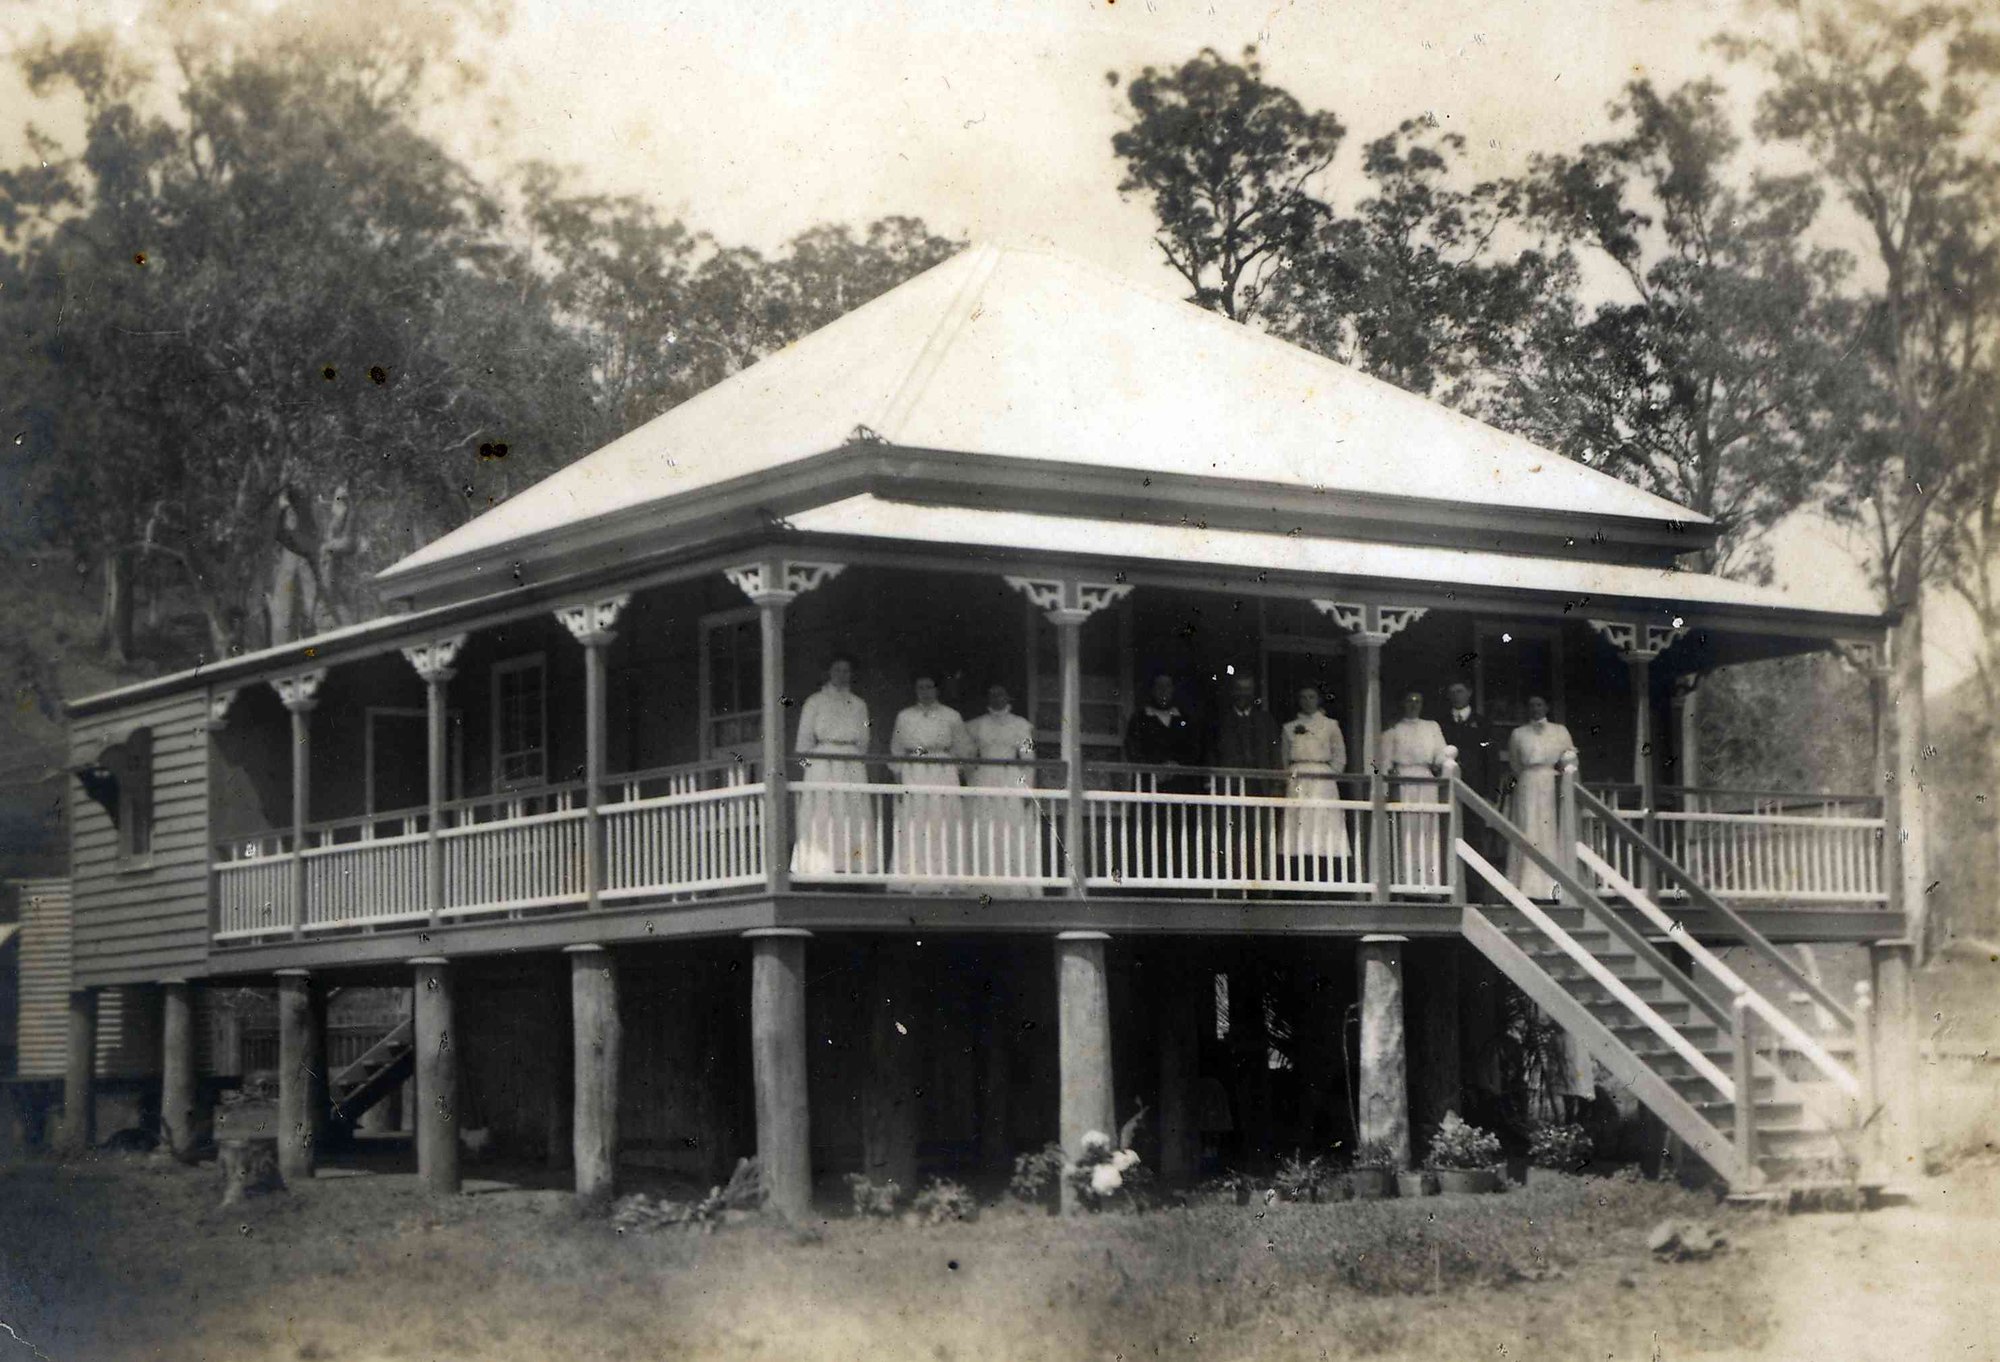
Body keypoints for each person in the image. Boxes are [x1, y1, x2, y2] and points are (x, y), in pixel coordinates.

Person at [791, 655, 876, 878]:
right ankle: (820, 867)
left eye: (846, 671)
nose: (842, 675)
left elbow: (864, 741)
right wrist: (812, 771)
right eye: (837, 670)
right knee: (824, 813)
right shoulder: (815, 701)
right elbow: (803, 743)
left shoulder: (859, 704)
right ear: (828, 673)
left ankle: (854, 867)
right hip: (822, 763)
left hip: (851, 761)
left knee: (852, 813)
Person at [888, 674, 971, 886]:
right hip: (914, 770)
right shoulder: (904, 716)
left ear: (937, 690)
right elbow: (896, 749)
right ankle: (912, 879)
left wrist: (954, 773)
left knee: (942, 821)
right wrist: (898, 778)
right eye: (920, 687)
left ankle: (946, 879)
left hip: (942, 770)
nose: (924, 691)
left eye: (929, 687)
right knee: (915, 822)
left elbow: (963, 750)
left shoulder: (951, 716)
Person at [963, 683, 1042, 892]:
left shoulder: (1022, 725)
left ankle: (1015, 886)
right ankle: (984, 886)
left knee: (1011, 829)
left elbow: (1029, 758)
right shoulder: (976, 725)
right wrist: (973, 779)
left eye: (1001, 694)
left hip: (1011, 778)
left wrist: (1028, 788)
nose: (997, 698)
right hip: (984, 778)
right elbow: (968, 757)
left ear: (1009, 698)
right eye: (992, 694)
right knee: (985, 829)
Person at [1211, 672, 1282, 884]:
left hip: (1260, 787)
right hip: (1230, 787)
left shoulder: (1265, 720)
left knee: (1259, 837)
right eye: (1239, 689)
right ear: (1233, 692)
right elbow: (1212, 754)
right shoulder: (1220, 721)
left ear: (1254, 693)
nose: (1243, 694)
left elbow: (1275, 754)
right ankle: (1232, 883)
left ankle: (1258, 884)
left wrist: (1277, 783)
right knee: (1232, 837)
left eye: (1248, 690)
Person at [1505, 695, 1576, 900]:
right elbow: (1515, 763)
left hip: (1550, 782)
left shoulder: (1560, 731)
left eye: (1539, 704)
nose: (1535, 708)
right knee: (1528, 828)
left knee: (1549, 830)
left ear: (1547, 706)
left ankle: (1552, 888)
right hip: (1528, 782)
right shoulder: (1518, 733)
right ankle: (1526, 887)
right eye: (1531, 705)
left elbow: (1569, 758)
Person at [1377, 690, 1449, 889]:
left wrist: (1442, 764)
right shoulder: (1393, 730)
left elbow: (1441, 755)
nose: (1414, 704)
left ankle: (1429, 885)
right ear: (1402, 703)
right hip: (1403, 783)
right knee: (1406, 831)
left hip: (1426, 781)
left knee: (1427, 831)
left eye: (1418, 701)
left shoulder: (1432, 727)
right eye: (1409, 700)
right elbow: (1384, 762)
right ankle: (1405, 883)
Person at [1280, 684, 1350, 881]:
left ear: (1318, 700)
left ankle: (1325, 875)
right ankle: (1300, 876)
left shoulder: (1330, 725)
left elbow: (1339, 757)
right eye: (1303, 697)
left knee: (1322, 824)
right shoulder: (1289, 728)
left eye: (1311, 697)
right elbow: (1284, 759)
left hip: (1322, 779)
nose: (1307, 701)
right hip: (1299, 778)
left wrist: (1329, 776)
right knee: (1300, 824)